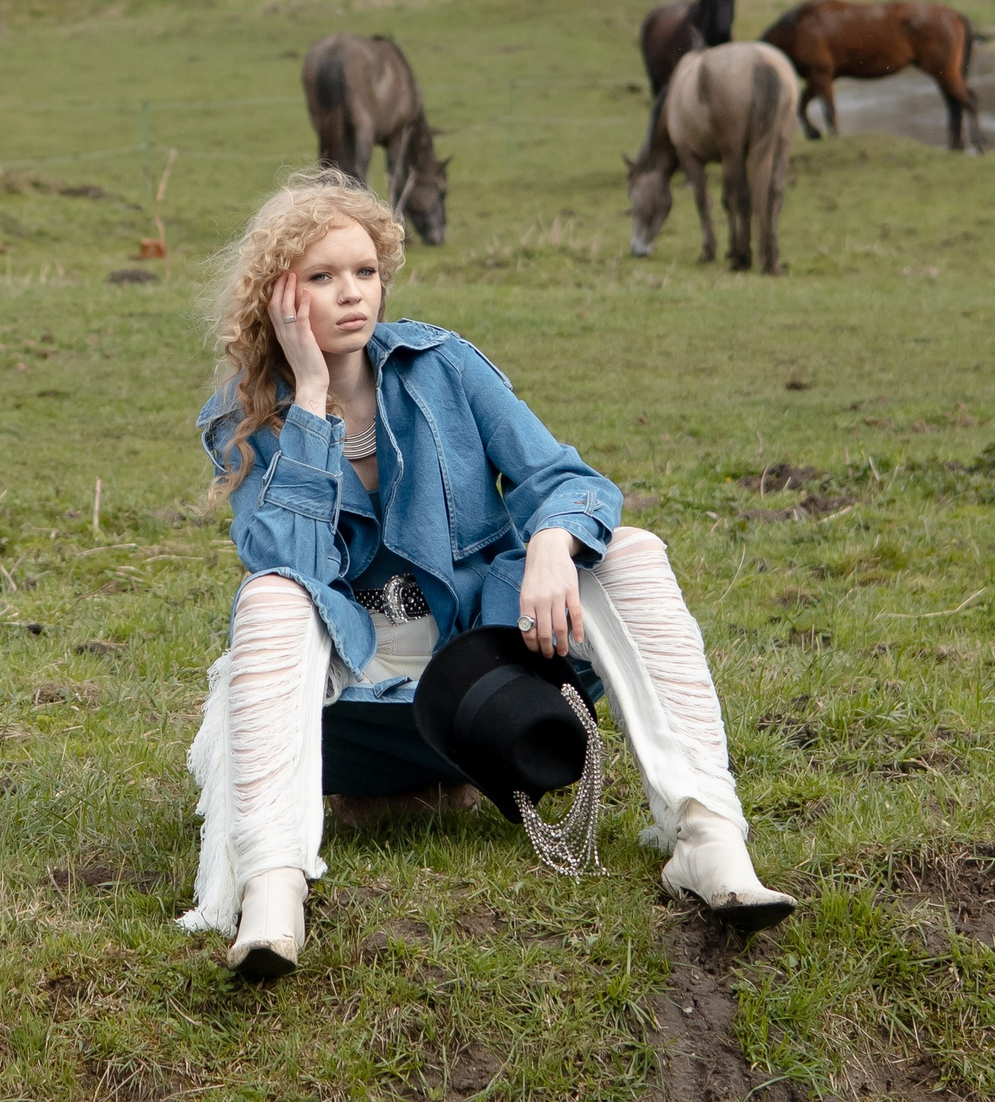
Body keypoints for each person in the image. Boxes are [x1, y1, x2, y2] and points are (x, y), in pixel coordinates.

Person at [181, 174, 794, 978]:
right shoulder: (245, 418)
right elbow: (289, 560)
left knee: (631, 548)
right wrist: (313, 402)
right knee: (270, 596)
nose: (351, 294)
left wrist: (548, 542)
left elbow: (571, 481)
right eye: (322, 277)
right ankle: (274, 890)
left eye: (364, 271)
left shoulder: (443, 366)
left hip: (484, 682)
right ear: (279, 296)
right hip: (348, 705)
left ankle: (706, 834)